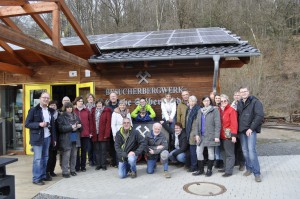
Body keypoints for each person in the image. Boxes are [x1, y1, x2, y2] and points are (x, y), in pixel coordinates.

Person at [25, 92, 56, 185]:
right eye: (44, 98)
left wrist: (54, 139)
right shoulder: (33, 110)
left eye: (47, 98)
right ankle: (36, 178)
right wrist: (39, 124)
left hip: (47, 137)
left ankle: (43, 176)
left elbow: (53, 126)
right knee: (37, 159)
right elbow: (27, 124)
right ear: (40, 98)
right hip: (37, 138)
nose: (46, 99)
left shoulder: (50, 111)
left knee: (45, 158)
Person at [237, 86, 264, 182]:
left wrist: (251, 128)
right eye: (241, 92)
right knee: (245, 151)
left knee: (251, 151)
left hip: (250, 131)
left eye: (245, 91)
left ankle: (257, 173)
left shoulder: (255, 102)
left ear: (248, 92)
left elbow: (259, 116)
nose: (243, 93)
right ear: (239, 93)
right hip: (242, 131)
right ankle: (249, 169)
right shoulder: (239, 103)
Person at [193, 96, 221, 177]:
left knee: (211, 153)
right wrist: (197, 134)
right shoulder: (200, 111)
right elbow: (197, 124)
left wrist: (216, 136)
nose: (206, 102)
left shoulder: (214, 110)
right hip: (201, 136)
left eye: (208, 100)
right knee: (198, 152)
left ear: (210, 101)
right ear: (202, 102)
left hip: (210, 135)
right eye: (205, 101)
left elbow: (218, 124)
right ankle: (201, 170)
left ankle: (209, 170)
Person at [57, 102, 81, 178]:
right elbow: (60, 128)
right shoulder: (61, 117)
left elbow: (80, 124)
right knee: (66, 156)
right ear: (65, 108)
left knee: (74, 155)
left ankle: (72, 170)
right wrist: (71, 127)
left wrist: (79, 126)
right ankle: (65, 172)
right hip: (66, 138)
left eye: (70, 107)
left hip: (75, 137)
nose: (69, 109)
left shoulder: (75, 115)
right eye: (68, 107)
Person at [218, 94, 238, 177]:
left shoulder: (231, 110)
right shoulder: (220, 110)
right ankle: (226, 167)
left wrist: (233, 135)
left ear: (228, 101)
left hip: (228, 135)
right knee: (223, 152)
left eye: (225, 101)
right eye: (221, 101)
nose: (223, 102)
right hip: (221, 135)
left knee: (229, 153)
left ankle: (229, 171)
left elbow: (234, 123)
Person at [91, 98, 112, 170]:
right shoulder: (93, 111)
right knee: (97, 150)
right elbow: (91, 123)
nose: (99, 104)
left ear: (102, 104)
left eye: (100, 103)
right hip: (95, 133)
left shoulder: (106, 111)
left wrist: (107, 134)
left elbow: (108, 123)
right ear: (96, 104)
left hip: (103, 133)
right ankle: (98, 164)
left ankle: (103, 165)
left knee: (103, 150)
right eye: (98, 103)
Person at [74, 96, 91, 172]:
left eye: (82, 101)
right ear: (76, 102)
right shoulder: (73, 111)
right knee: (76, 151)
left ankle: (83, 166)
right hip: (75, 134)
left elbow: (90, 122)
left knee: (84, 151)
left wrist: (90, 132)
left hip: (85, 133)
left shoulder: (86, 111)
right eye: (79, 101)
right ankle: (77, 167)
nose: (80, 102)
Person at [185, 95, 200, 172]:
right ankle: (193, 165)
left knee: (193, 150)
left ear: (196, 102)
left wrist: (195, 133)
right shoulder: (188, 109)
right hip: (189, 131)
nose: (192, 102)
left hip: (194, 132)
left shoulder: (197, 109)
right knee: (192, 150)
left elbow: (197, 122)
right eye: (191, 101)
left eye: (193, 101)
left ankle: (194, 166)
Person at [231, 91, 245, 171]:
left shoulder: (242, 104)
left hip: (240, 128)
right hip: (233, 129)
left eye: (238, 95)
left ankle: (242, 163)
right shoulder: (232, 105)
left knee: (241, 147)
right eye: (235, 95)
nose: (236, 96)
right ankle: (236, 162)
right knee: (234, 146)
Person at [46, 100, 59, 178]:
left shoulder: (58, 115)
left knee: (54, 156)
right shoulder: (47, 114)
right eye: (51, 105)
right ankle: (47, 171)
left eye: (54, 105)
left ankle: (52, 171)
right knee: (49, 156)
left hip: (56, 137)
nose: (52, 107)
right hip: (48, 137)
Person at [107, 91, 120, 167]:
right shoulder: (107, 106)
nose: (113, 97)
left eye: (114, 96)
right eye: (111, 96)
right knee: (112, 146)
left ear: (117, 97)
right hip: (110, 129)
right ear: (110, 98)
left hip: (119, 129)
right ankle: (114, 162)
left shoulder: (121, 105)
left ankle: (119, 162)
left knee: (119, 146)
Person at [85, 93, 96, 166]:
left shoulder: (96, 106)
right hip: (88, 129)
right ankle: (90, 160)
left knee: (95, 146)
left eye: (91, 97)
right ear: (87, 99)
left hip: (95, 129)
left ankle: (95, 160)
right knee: (89, 147)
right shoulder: (85, 108)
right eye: (89, 98)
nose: (90, 99)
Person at [214, 93, 223, 169]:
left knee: (222, 146)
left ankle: (222, 160)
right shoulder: (213, 107)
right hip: (215, 128)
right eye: (216, 98)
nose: (217, 99)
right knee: (216, 146)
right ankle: (217, 160)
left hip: (222, 128)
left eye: (219, 98)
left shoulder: (222, 106)